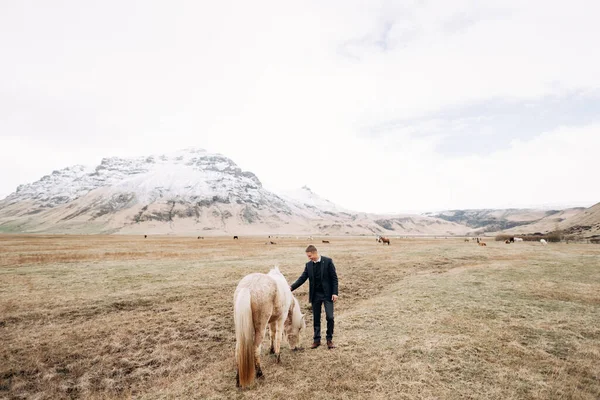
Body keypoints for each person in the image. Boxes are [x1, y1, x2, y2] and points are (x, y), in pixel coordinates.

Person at [290, 245, 339, 349]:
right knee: (316, 319)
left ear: (315, 253)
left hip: (328, 295)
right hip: (315, 295)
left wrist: (335, 293)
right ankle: (316, 340)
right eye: (308, 256)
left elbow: (334, 278)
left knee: (330, 317)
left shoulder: (328, 261)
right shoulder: (308, 265)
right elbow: (302, 278)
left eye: (310, 256)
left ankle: (329, 340)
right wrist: (290, 288)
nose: (309, 258)